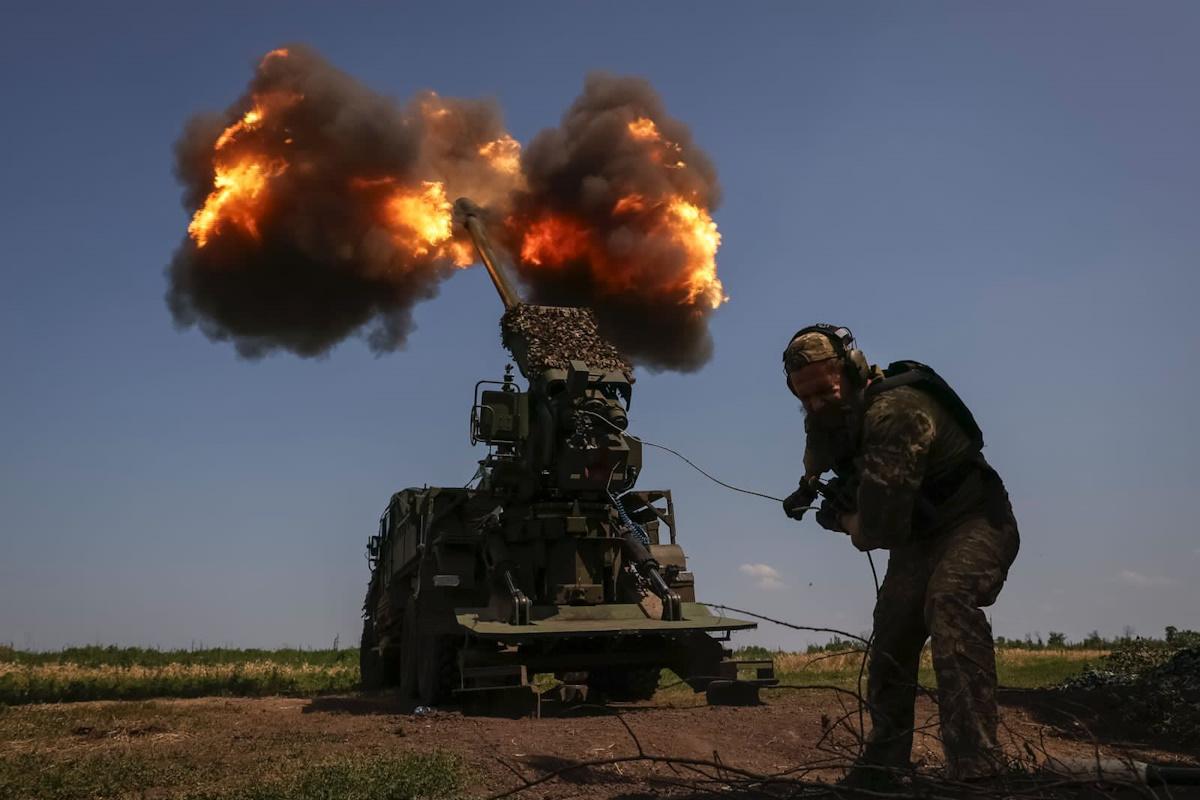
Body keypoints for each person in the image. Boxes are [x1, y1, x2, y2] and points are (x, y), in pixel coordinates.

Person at [780, 324, 1020, 787]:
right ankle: (883, 767)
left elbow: (877, 532)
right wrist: (808, 489)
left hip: (975, 522)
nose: (816, 404)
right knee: (892, 629)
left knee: (948, 601)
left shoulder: (895, 412)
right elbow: (821, 451)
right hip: (919, 537)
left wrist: (843, 518)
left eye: (824, 391)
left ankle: (977, 770)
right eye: (804, 397)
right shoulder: (831, 411)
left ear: (851, 371)